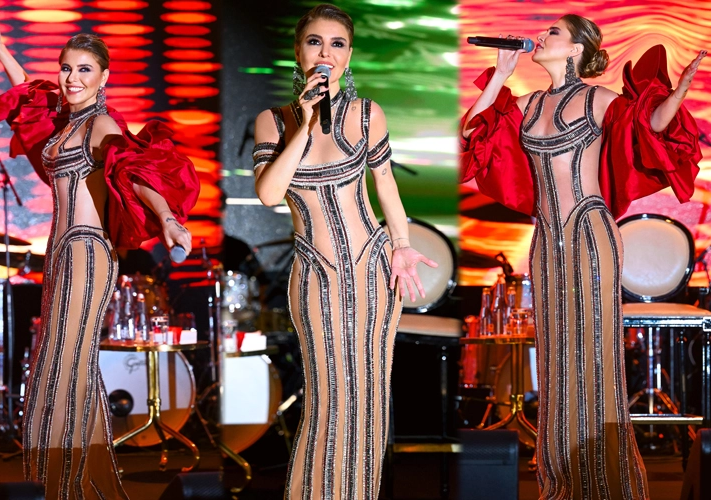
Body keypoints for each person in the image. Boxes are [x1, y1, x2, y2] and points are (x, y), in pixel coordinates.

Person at [461, 14, 706, 500]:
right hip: (546, 238)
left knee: (593, 353)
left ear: (576, 49)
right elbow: (472, 134)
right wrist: (501, 75)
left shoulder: (598, 99)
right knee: (554, 359)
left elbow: (653, 125)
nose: (542, 36)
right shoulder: (528, 104)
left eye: (554, 32)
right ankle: (562, 478)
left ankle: (604, 480)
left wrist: (680, 90)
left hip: (590, 233)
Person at [0, 6, 199, 499]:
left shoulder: (100, 124)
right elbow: (29, 97)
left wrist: (167, 218)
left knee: (65, 361)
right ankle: (77, 483)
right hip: (61, 252)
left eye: (84, 69)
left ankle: (71, 481)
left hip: (88, 250)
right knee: (61, 359)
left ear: (104, 77)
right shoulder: (64, 124)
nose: (71, 78)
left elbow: (133, 172)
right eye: (66, 68)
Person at [252, 4, 437, 499]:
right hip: (314, 272)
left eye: (337, 44)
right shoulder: (273, 122)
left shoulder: (367, 114)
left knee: (369, 397)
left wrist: (402, 245)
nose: (325, 53)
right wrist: (307, 122)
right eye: (315, 42)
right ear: (298, 51)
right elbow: (269, 194)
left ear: (349, 56)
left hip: (372, 266)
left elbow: (386, 186)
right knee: (328, 397)